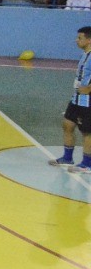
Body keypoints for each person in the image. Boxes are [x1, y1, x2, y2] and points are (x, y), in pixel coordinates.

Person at [49, 26, 91, 172]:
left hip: (88, 101)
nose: (76, 40)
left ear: (89, 40)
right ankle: (67, 158)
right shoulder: (85, 54)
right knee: (68, 124)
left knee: (87, 132)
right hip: (77, 98)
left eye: (80, 38)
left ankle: (87, 164)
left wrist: (89, 88)